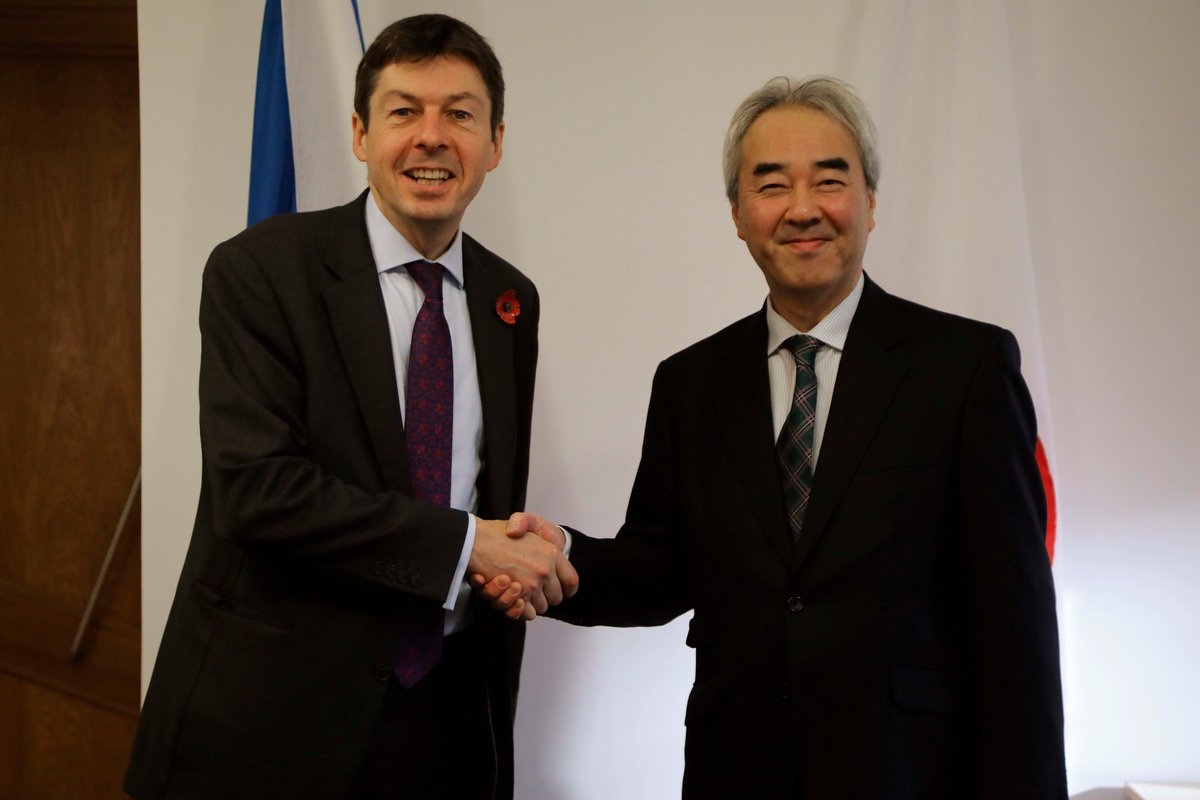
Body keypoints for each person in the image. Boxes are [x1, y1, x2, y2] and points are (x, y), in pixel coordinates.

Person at [483, 76, 1067, 798]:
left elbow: (1015, 624)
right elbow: (659, 570)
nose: (802, 208)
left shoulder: (965, 368)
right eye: (771, 185)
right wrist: (559, 557)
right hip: (738, 770)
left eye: (829, 180)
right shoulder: (690, 382)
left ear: (870, 201)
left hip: (909, 773)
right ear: (737, 213)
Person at [124, 14, 574, 800]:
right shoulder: (261, 272)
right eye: (404, 111)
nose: (431, 136)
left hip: (445, 716)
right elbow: (257, 491)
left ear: (495, 143)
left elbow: (481, 491)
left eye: (459, 113)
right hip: (273, 718)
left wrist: (512, 557)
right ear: (361, 134)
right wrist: (468, 547)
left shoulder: (510, 299)